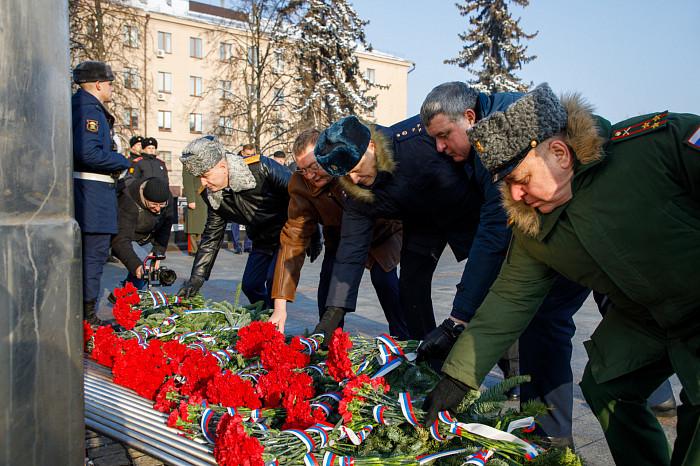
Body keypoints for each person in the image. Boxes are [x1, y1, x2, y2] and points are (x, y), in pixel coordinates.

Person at [422, 83, 700, 465]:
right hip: (648, 315)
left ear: (559, 153)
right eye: (506, 186)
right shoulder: (535, 226)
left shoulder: (651, 148)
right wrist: (457, 380)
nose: (515, 196)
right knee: (607, 384)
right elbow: (510, 297)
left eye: (519, 180)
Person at [417, 81, 592, 447]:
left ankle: (551, 434)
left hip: (600, 234)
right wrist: (457, 369)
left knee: (558, 323)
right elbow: (511, 290)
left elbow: (495, 230)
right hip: (568, 234)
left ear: (469, 117)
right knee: (545, 317)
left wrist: (458, 318)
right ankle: (551, 435)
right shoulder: (491, 144)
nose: (440, 147)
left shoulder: (503, 136)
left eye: (446, 136)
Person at [311, 115, 484, 344]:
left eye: (356, 168)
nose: (354, 178)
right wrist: (333, 313)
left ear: (371, 146)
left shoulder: (417, 140)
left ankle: (513, 365)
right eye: (345, 174)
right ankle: (427, 359)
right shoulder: (357, 192)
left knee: (486, 285)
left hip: (469, 215)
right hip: (421, 224)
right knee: (409, 288)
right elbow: (351, 250)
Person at [269, 129, 408, 339]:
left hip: (382, 233)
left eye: (314, 166)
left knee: (385, 282)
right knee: (328, 288)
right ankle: (328, 343)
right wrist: (280, 307)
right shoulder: (300, 185)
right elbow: (292, 241)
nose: (310, 175)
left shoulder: (349, 165)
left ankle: (405, 341)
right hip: (338, 238)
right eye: (302, 169)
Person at [177, 135, 291, 308]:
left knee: (274, 283)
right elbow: (211, 237)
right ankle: (264, 316)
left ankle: (271, 325)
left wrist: (312, 234)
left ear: (223, 167)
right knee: (250, 286)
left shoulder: (261, 168)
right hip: (261, 241)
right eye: (199, 177)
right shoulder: (213, 195)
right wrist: (196, 278)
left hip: (288, 236)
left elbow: (299, 195)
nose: (203, 182)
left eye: (206, 175)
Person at [71, 60, 130, 326]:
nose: (111, 89)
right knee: (93, 258)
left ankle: (82, 312)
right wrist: (121, 161)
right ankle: (87, 317)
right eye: (109, 84)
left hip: (87, 193)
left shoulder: (81, 107)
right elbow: (88, 153)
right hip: (93, 195)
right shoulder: (90, 111)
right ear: (97, 84)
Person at [109, 177, 174, 295]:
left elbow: (165, 228)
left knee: (149, 269)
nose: (158, 208)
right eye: (154, 204)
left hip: (146, 238)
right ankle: (132, 300)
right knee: (144, 267)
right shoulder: (128, 201)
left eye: (161, 205)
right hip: (125, 238)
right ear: (145, 197)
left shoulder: (167, 198)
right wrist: (136, 266)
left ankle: (123, 296)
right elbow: (121, 240)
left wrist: (158, 251)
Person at [182, 169, 207, 255]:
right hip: (195, 197)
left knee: (203, 225)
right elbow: (187, 182)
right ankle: (193, 249)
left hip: (204, 195)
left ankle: (201, 247)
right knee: (193, 226)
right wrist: (191, 199)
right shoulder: (189, 162)